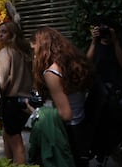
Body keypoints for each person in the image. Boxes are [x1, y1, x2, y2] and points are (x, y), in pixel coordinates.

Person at [29, 27, 93, 167]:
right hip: (82, 126)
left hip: (66, 133)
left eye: (35, 51)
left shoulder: (52, 72)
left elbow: (66, 114)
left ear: (43, 49)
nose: (34, 56)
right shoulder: (75, 63)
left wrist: (38, 113)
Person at [86, 23, 122, 167]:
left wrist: (115, 41)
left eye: (107, 32)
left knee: (116, 126)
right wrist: (94, 41)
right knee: (98, 125)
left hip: (115, 93)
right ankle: (99, 154)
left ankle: (118, 155)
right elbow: (87, 62)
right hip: (98, 92)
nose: (105, 35)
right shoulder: (96, 46)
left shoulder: (119, 45)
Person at [0, 21, 33, 164]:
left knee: (16, 142)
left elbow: (2, 82)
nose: (0, 35)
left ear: (12, 34)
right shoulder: (24, 53)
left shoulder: (6, 52)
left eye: (4, 31)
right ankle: (8, 163)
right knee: (7, 134)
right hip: (24, 101)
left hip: (11, 101)